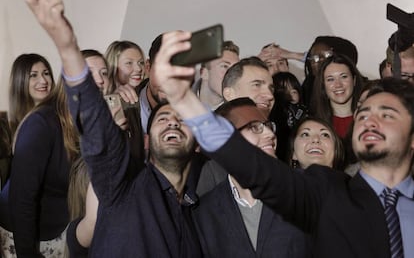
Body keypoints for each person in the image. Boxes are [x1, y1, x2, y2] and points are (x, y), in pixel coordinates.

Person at [148, 31, 414, 257]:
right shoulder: (325, 193)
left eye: (387, 115)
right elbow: (254, 168)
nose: (369, 120)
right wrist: (184, 100)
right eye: (363, 114)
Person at [25, 0, 201, 257]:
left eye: (181, 119)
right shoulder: (125, 185)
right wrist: (67, 46)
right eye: (162, 119)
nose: (173, 123)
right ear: (145, 141)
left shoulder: (197, 208)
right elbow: (100, 134)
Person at [193, 98, 309, 257]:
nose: (270, 134)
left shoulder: (304, 187)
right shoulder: (205, 213)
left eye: (268, 126)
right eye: (255, 128)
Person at [8, 77, 79, 257]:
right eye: (90, 74)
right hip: (33, 237)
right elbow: (22, 197)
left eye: (103, 74)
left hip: (65, 232)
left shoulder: (91, 122)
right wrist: (27, 253)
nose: (99, 81)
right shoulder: (42, 122)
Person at [310, 53, 365, 138]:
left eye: (343, 77)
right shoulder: (314, 124)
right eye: (330, 79)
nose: (338, 84)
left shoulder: (368, 119)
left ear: (354, 80)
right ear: (323, 85)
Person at [8, 53, 55, 136]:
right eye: (33, 75)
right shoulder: (7, 128)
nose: (43, 81)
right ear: (20, 82)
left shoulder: (60, 117)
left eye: (46, 73)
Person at [269, 71, 308, 161]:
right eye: (284, 92)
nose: (290, 95)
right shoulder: (274, 114)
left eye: (294, 91)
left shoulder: (303, 111)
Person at [192, 40, 240, 109]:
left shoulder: (238, 111)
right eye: (225, 66)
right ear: (204, 73)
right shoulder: (178, 100)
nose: (232, 74)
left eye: (235, 69)